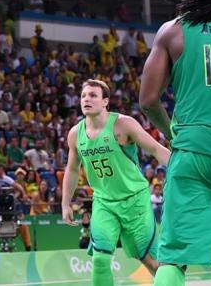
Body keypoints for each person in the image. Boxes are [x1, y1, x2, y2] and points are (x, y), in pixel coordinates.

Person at [139, 0, 211, 286]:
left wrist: (171, 132)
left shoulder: (172, 31)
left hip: (193, 152)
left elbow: (148, 100)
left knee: (173, 258)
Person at [62, 80, 170, 286]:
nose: (86, 99)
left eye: (93, 95)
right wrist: (65, 203)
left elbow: (156, 149)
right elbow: (72, 169)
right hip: (104, 203)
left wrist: (183, 167)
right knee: (100, 259)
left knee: (149, 260)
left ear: (105, 101)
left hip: (135, 200)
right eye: (83, 95)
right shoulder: (75, 134)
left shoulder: (123, 124)